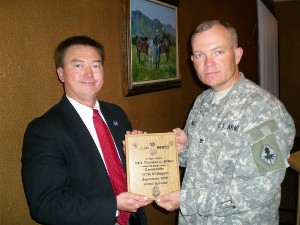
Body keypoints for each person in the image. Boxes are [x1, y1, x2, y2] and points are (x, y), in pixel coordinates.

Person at [155, 20, 295, 224]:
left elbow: (259, 188)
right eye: (200, 55)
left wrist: (188, 200)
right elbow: (200, 162)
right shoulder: (203, 101)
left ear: (237, 55)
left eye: (218, 52)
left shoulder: (263, 109)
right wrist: (183, 149)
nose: (208, 63)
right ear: (192, 60)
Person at [21, 35, 151, 225]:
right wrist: (114, 205)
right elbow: (45, 205)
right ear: (61, 73)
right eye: (78, 65)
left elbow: (122, 172)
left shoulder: (116, 114)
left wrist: (136, 155)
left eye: (96, 65)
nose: (89, 74)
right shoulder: (44, 131)